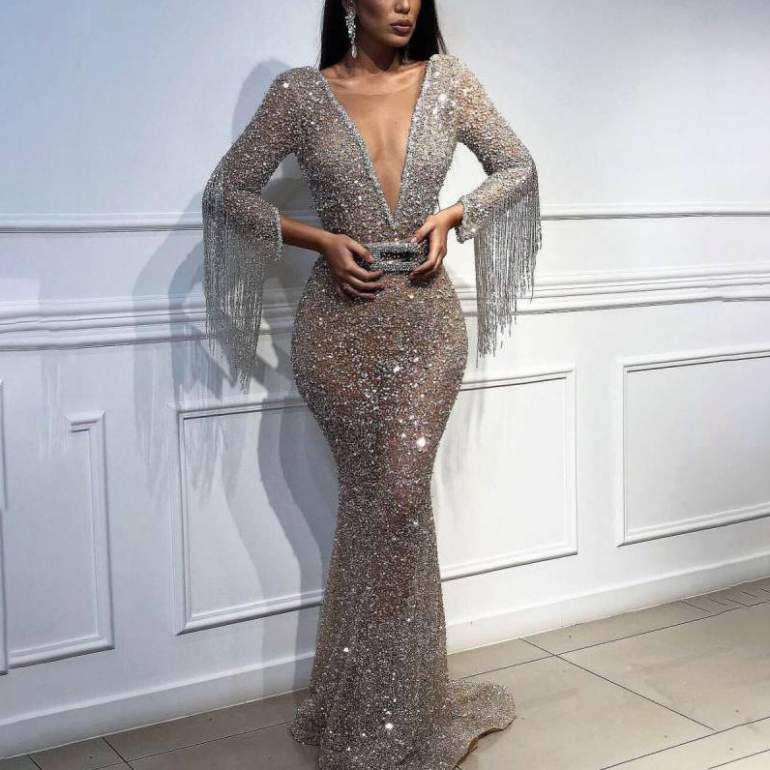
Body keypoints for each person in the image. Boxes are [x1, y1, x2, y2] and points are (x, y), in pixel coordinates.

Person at [201, 1, 542, 767]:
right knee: (378, 508)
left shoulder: (450, 83)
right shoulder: (300, 94)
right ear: (348, 1)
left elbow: (518, 167)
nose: (403, 4)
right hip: (337, 333)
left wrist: (454, 215)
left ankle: (391, 717)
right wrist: (319, 240)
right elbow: (228, 192)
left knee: (396, 498)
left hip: (427, 330)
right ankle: (374, 706)